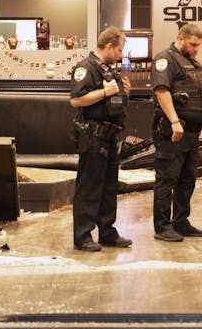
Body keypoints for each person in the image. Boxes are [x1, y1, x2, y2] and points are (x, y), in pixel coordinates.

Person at [69, 26, 133, 252]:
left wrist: (124, 91)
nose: (120, 54)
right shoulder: (86, 68)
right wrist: (105, 92)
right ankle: (83, 236)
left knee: (108, 188)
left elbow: (114, 102)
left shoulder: (109, 69)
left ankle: (107, 232)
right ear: (108, 46)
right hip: (93, 137)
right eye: (119, 50)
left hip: (110, 136)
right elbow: (76, 100)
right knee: (89, 188)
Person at [150, 24, 202, 242]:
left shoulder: (195, 64)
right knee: (167, 179)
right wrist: (174, 120)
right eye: (193, 45)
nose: (196, 49)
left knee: (187, 180)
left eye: (198, 46)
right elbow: (161, 90)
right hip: (172, 132)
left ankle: (181, 222)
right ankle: (162, 226)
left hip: (192, 134)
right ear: (180, 38)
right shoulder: (166, 59)